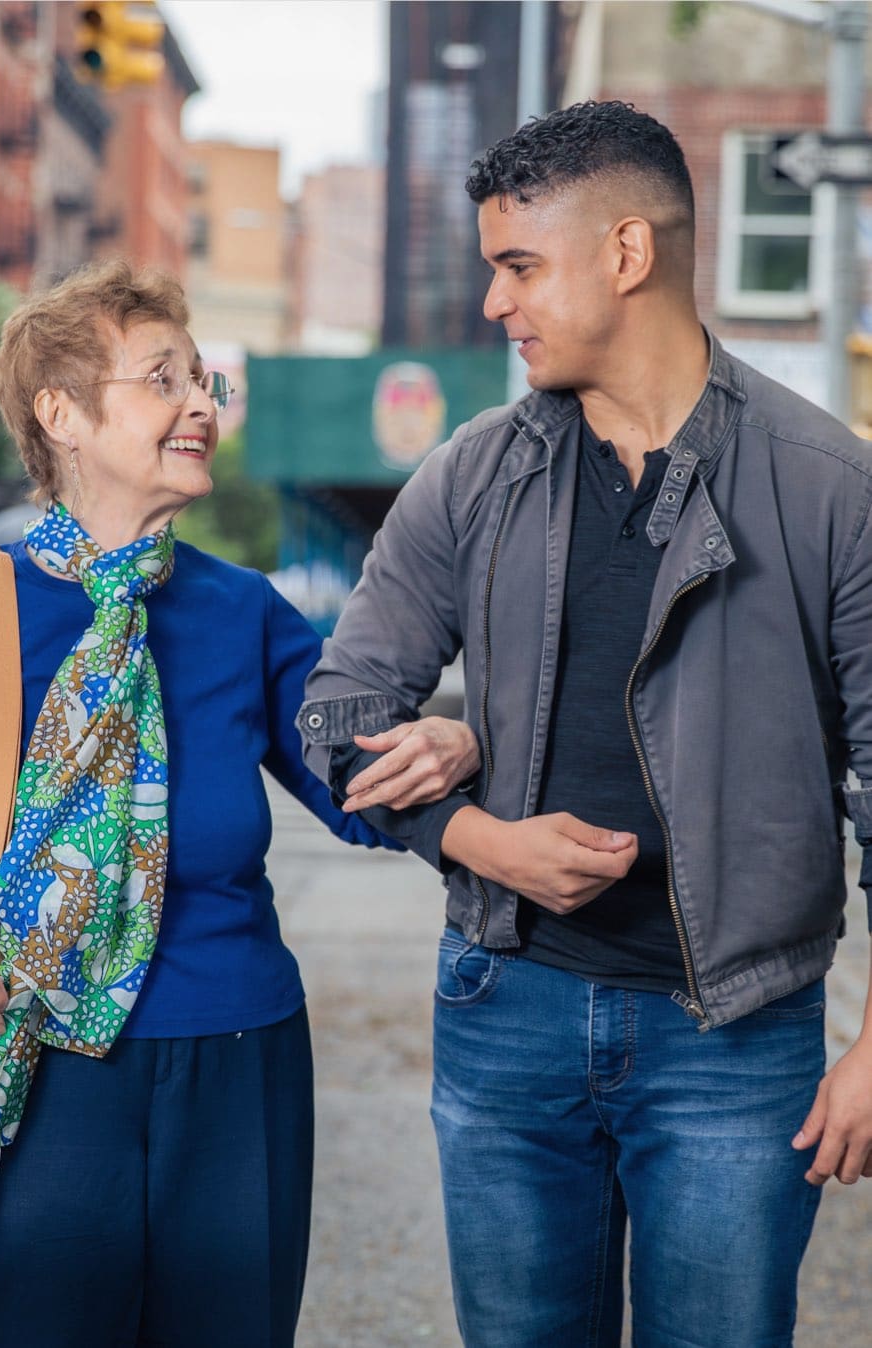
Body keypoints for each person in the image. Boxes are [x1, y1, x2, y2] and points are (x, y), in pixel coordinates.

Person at [299, 101, 872, 1347]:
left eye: (519, 266)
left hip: (736, 1041)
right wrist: (472, 836)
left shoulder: (830, 486)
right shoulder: (471, 471)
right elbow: (339, 712)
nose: (497, 305)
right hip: (505, 1014)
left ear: (625, 254)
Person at [0, 258, 478, 1348]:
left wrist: (449, 745)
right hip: (27, 1066)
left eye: (205, 383)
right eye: (163, 380)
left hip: (238, 1067)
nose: (201, 404)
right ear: (62, 413)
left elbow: (358, 790)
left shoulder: (243, 612)